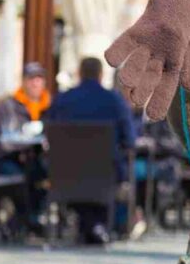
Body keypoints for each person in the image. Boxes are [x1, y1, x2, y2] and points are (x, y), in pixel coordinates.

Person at [47, 57, 137, 244]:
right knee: (122, 167)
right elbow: (130, 140)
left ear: (79, 74)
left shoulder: (62, 100)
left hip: (65, 173)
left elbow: (48, 132)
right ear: (100, 75)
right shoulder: (115, 101)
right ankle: (97, 225)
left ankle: (89, 225)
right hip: (105, 172)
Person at [0, 62, 52, 232]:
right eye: (31, 78)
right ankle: (27, 220)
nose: (35, 83)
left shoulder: (50, 108)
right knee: (28, 174)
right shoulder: (7, 107)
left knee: (45, 173)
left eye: (39, 79)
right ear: (23, 82)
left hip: (37, 161)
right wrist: (19, 147)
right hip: (7, 160)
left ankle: (35, 218)